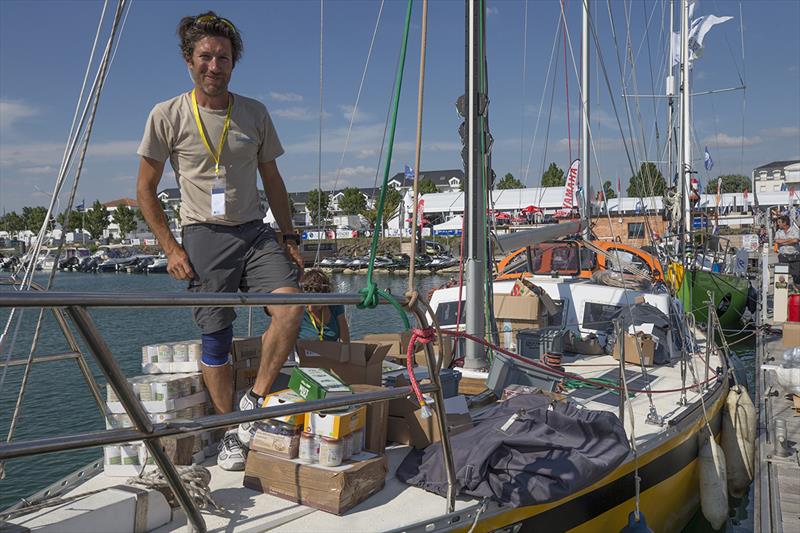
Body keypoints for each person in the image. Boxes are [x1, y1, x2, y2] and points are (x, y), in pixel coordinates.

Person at [136, 11, 304, 471]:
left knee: (290, 309)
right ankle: (231, 431)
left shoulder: (255, 113)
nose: (215, 65)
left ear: (234, 63)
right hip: (202, 235)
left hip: (254, 231)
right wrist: (170, 249)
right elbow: (145, 190)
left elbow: (273, 179)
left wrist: (288, 235)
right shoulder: (166, 115)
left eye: (223, 58)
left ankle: (252, 407)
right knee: (217, 335)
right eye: (205, 57)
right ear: (189, 61)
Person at [297, 269, 350, 342]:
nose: (313, 305)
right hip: (305, 351)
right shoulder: (297, 310)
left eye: (318, 299)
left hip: (331, 351)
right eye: (310, 300)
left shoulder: (335, 305)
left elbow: (345, 340)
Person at [775, 215, 800, 285]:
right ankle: (782, 292)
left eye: (779, 222)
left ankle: (797, 290)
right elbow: (777, 241)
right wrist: (789, 240)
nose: (778, 224)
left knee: (797, 275)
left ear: (785, 222)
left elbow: (796, 240)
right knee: (782, 276)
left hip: (795, 257)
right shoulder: (778, 232)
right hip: (783, 257)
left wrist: (783, 242)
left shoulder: (794, 230)